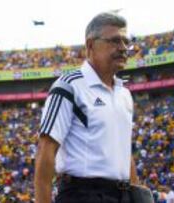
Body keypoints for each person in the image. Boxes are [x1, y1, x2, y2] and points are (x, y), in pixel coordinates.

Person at [35, 12, 141, 203]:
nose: (124, 48)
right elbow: (46, 149)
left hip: (122, 195)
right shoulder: (68, 86)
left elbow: (124, 153)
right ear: (90, 45)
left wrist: (137, 192)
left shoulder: (124, 93)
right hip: (82, 194)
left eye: (126, 42)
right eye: (115, 41)